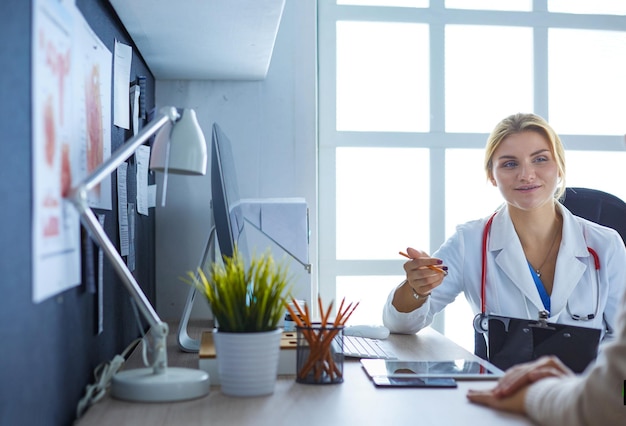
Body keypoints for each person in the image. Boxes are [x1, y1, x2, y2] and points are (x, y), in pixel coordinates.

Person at [382, 112, 626, 361]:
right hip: (504, 392)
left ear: (560, 167)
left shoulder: (605, 245)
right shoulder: (470, 241)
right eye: (510, 164)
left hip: (585, 392)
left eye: (540, 159)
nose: (526, 175)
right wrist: (416, 289)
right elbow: (400, 325)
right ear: (491, 175)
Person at [466, 286, 626, 425]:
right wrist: (586, 385)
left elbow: (610, 404)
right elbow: (618, 393)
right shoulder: (468, 251)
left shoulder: (610, 252)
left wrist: (533, 393)